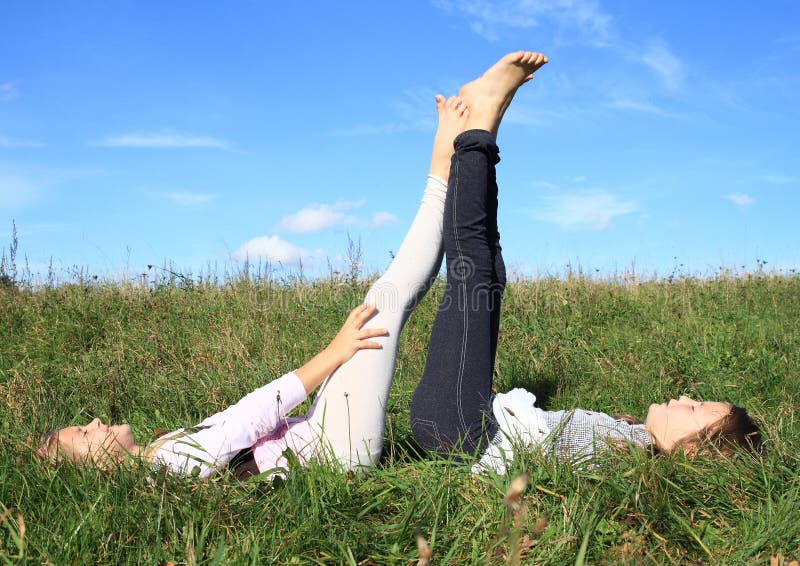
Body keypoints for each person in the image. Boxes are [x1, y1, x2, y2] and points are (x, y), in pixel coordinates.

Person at [37, 90, 472, 477]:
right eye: (83, 432)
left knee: (384, 301)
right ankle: (445, 164)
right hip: (334, 450)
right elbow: (250, 415)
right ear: (97, 466)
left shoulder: (160, 455)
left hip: (321, 437)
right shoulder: (169, 466)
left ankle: (447, 169)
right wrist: (333, 353)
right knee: (383, 303)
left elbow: (237, 421)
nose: (93, 422)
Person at [408, 52, 763, 475]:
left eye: (695, 409)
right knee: (489, 271)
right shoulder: (630, 442)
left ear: (693, 451)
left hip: (460, 427)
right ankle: (479, 127)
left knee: (476, 269)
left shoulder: (630, 461)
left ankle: (481, 127)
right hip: (468, 420)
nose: (685, 398)